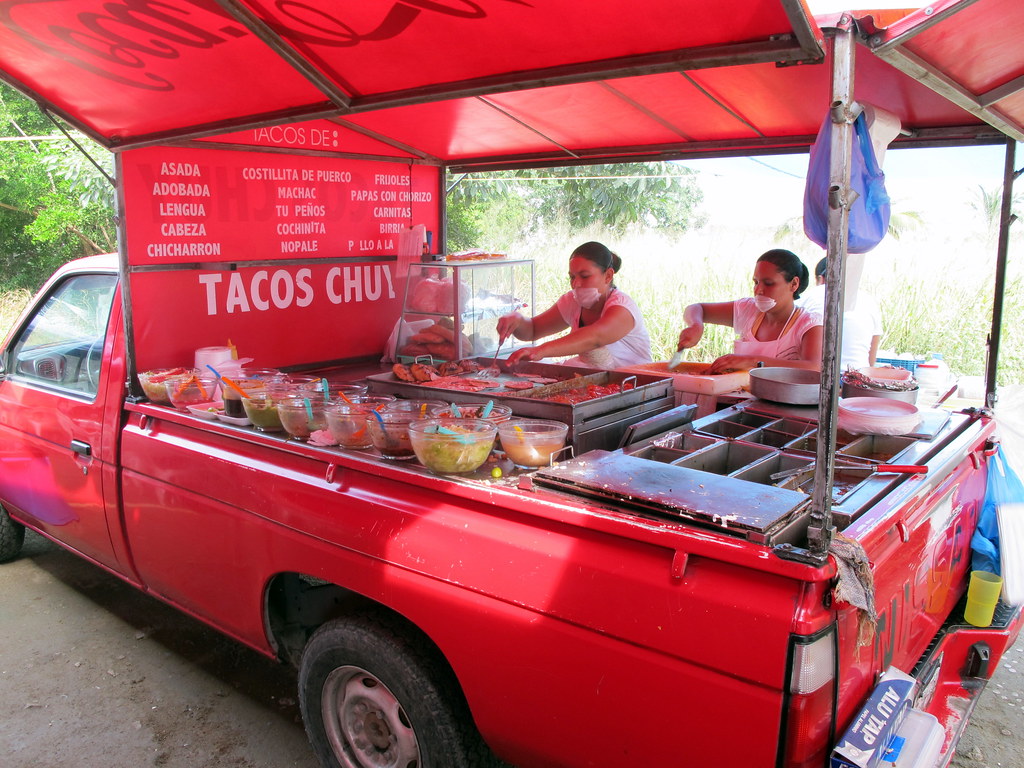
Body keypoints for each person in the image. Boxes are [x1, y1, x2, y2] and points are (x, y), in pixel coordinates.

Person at [498, 241, 652, 369]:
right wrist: (517, 320)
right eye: (572, 277)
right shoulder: (572, 301)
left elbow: (595, 337)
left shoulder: (622, 308)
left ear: (608, 276)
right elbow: (532, 330)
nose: (576, 284)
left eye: (585, 276)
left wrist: (541, 350)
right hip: (596, 385)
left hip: (635, 387)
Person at [677, 248, 823, 373]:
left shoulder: (809, 324)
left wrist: (752, 361)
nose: (758, 290)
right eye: (756, 282)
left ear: (794, 284)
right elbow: (697, 308)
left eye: (769, 283)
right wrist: (696, 324)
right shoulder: (748, 309)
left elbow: (814, 368)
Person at [800, 257, 883, 371]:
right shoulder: (869, 301)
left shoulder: (811, 295)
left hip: (819, 378)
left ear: (820, 279)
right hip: (858, 377)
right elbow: (871, 360)